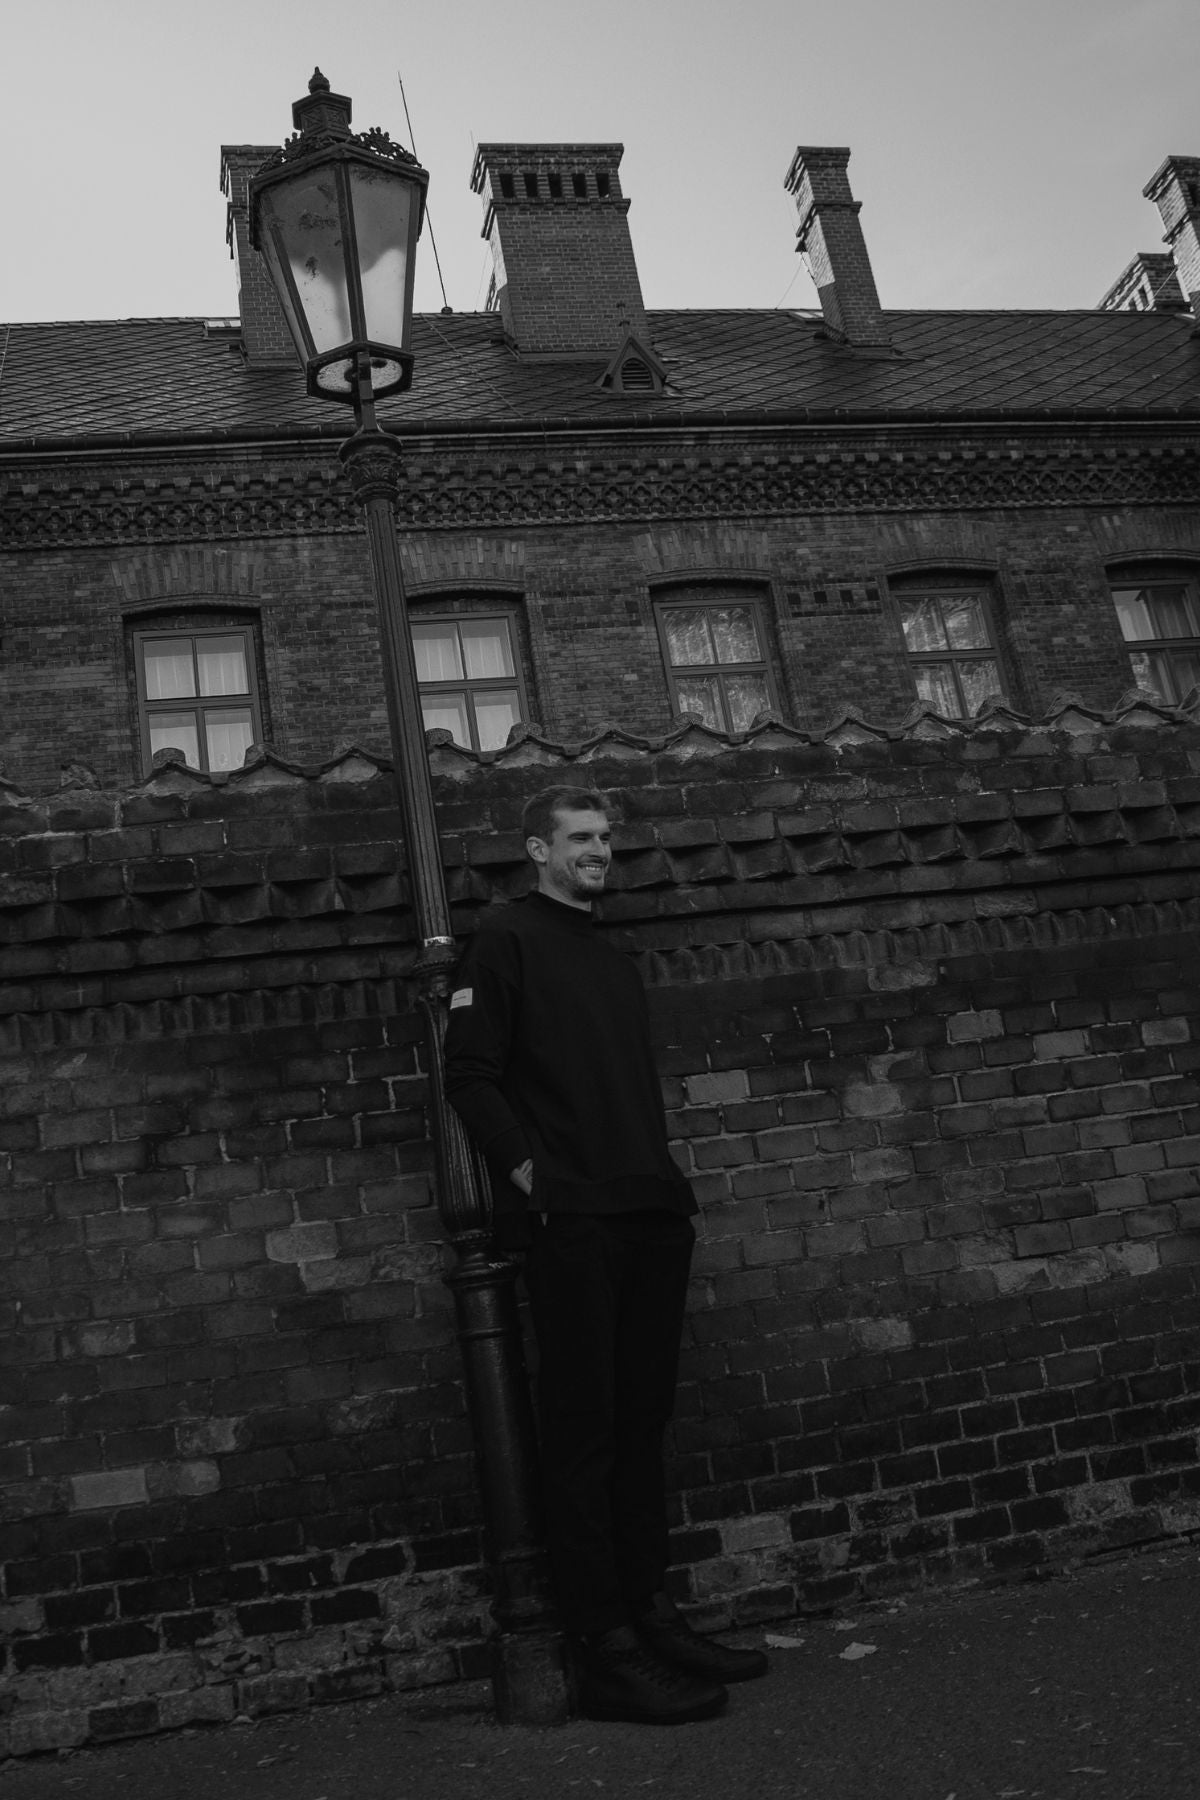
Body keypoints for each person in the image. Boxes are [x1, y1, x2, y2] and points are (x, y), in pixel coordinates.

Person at [444, 784, 767, 1725]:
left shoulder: (610, 958)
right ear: (537, 850)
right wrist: (531, 1175)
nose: (598, 850)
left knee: (640, 1422)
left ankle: (649, 1613)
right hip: (571, 1220)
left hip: (648, 1212)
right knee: (584, 1433)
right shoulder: (504, 937)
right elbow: (469, 1071)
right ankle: (604, 1647)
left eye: (605, 837)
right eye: (579, 837)